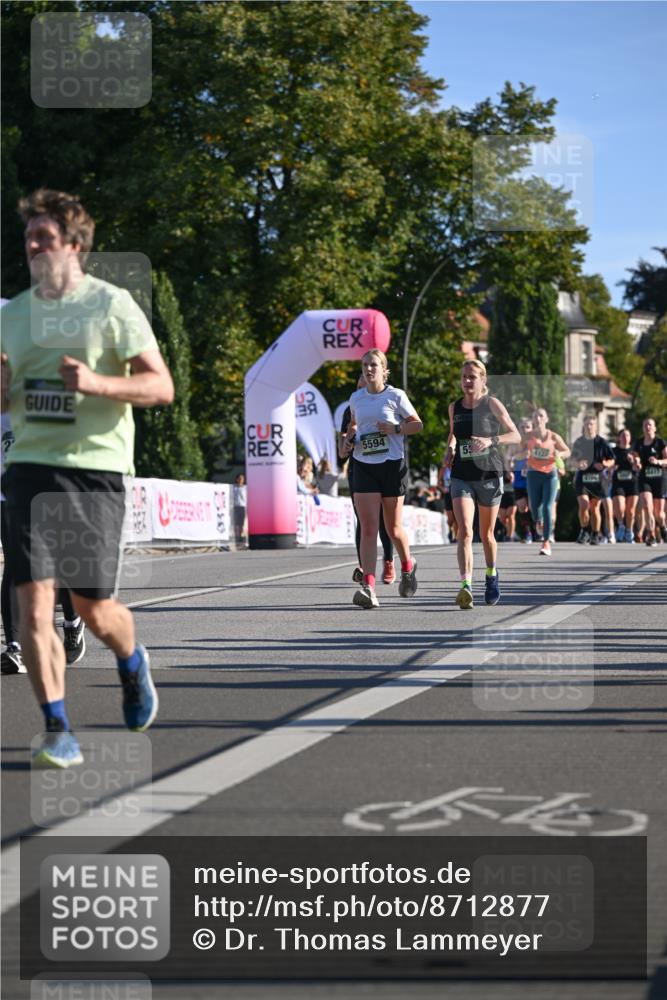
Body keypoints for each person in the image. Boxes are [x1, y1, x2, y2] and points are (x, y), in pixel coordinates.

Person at [0, 188, 174, 768]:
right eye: (28, 237)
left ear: (74, 246)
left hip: (95, 470)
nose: (31, 245)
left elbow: (160, 387)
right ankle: (56, 727)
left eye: (43, 237)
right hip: (29, 469)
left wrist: (98, 384)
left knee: (94, 608)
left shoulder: (111, 305)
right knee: (31, 608)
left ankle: (131, 662)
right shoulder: (16, 315)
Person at [340, 350, 422, 608]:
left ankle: (408, 566)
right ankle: (369, 588)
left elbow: (417, 425)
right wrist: (347, 441)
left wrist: (397, 428)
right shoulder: (356, 398)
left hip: (391, 465)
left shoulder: (396, 396)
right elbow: (354, 425)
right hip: (364, 465)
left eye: (374, 364)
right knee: (367, 528)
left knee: (393, 529)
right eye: (365, 365)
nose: (368, 369)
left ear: (384, 369)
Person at [443, 360, 520, 609]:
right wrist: (450, 449)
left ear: (483, 380)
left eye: (473, 377)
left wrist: (490, 440)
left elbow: (515, 434)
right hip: (461, 475)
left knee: (487, 535)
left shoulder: (492, 404)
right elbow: (453, 434)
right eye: (464, 376)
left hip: (488, 475)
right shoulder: (454, 407)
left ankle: (491, 574)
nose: (467, 381)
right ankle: (465, 585)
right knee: (465, 531)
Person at [339, 375, 396, 586]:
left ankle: (389, 561)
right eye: (358, 387)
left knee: (384, 520)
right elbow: (342, 449)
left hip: (385, 465)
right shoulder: (350, 409)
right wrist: (346, 444)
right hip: (359, 468)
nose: (361, 392)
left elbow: (404, 430)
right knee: (364, 520)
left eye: (364, 387)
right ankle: (364, 566)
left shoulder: (389, 400)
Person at [525, 408, 570, 556]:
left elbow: (567, 451)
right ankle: (539, 521)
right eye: (535, 416)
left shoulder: (554, 437)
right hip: (533, 474)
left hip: (550, 474)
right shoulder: (528, 436)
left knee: (548, 507)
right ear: (533, 420)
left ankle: (546, 542)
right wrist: (514, 457)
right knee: (534, 508)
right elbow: (516, 450)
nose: (538, 418)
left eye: (541, 415)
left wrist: (560, 454)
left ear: (546, 419)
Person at [571, 414, 615, 545]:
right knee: (584, 505)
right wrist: (578, 464)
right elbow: (572, 460)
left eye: (592, 424)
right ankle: (584, 530)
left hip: (597, 479)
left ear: (596, 426)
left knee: (595, 508)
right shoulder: (579, 442)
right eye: (587, 424)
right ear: (584, 426)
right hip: (582, 479)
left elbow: (611, 459)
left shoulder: (602, 442)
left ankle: (595, 533)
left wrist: (605, 465)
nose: (589, 427)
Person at [633, 417, 667, 547]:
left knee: (659, 513)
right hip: (645, 478)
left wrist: (658, 462)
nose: (648, 427)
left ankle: (663, 526)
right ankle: (651, 534)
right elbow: (635, 457)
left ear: (654, 428)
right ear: (643, 428)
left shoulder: (660, 443)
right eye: (645, 425)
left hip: (659, 478)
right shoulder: (639, 443)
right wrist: (636, 462)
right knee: (647, 506)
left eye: (650, 425)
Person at [611, 428, 640, 543]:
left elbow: (639, 467)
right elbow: (608, 463)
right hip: (618, 483)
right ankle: (621, 525)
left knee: (631, 510)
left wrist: (634, 461)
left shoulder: (634, 451)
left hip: (632, 483)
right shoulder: (614, 451)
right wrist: (611, 468)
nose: (625, 437)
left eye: (627, 435)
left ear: (630, 438)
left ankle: (629, 531)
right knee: (620, 507)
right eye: (623, 435)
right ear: (619, 438)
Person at [507, 417, 533, 543]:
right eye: (522, 427)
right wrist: (509, 472)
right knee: (522, 507)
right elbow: (507, 459)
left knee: (534, 507)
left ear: (532, 429)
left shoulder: (536, 442)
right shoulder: (514, 444)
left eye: (527, 427)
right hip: (519, 479)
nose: (524, 429)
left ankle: (540, 531)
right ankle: (528, 533)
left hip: (534, 478)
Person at [232, 472, 248, 546]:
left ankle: (240, 537)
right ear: (237, 479)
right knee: (235, 523)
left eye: (242, 479)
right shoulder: (233, 488)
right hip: (235, 506)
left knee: (241, 523)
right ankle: (236, 536)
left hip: (243, 506)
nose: (241, 480)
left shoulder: (245, 488)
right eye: (240, 478)